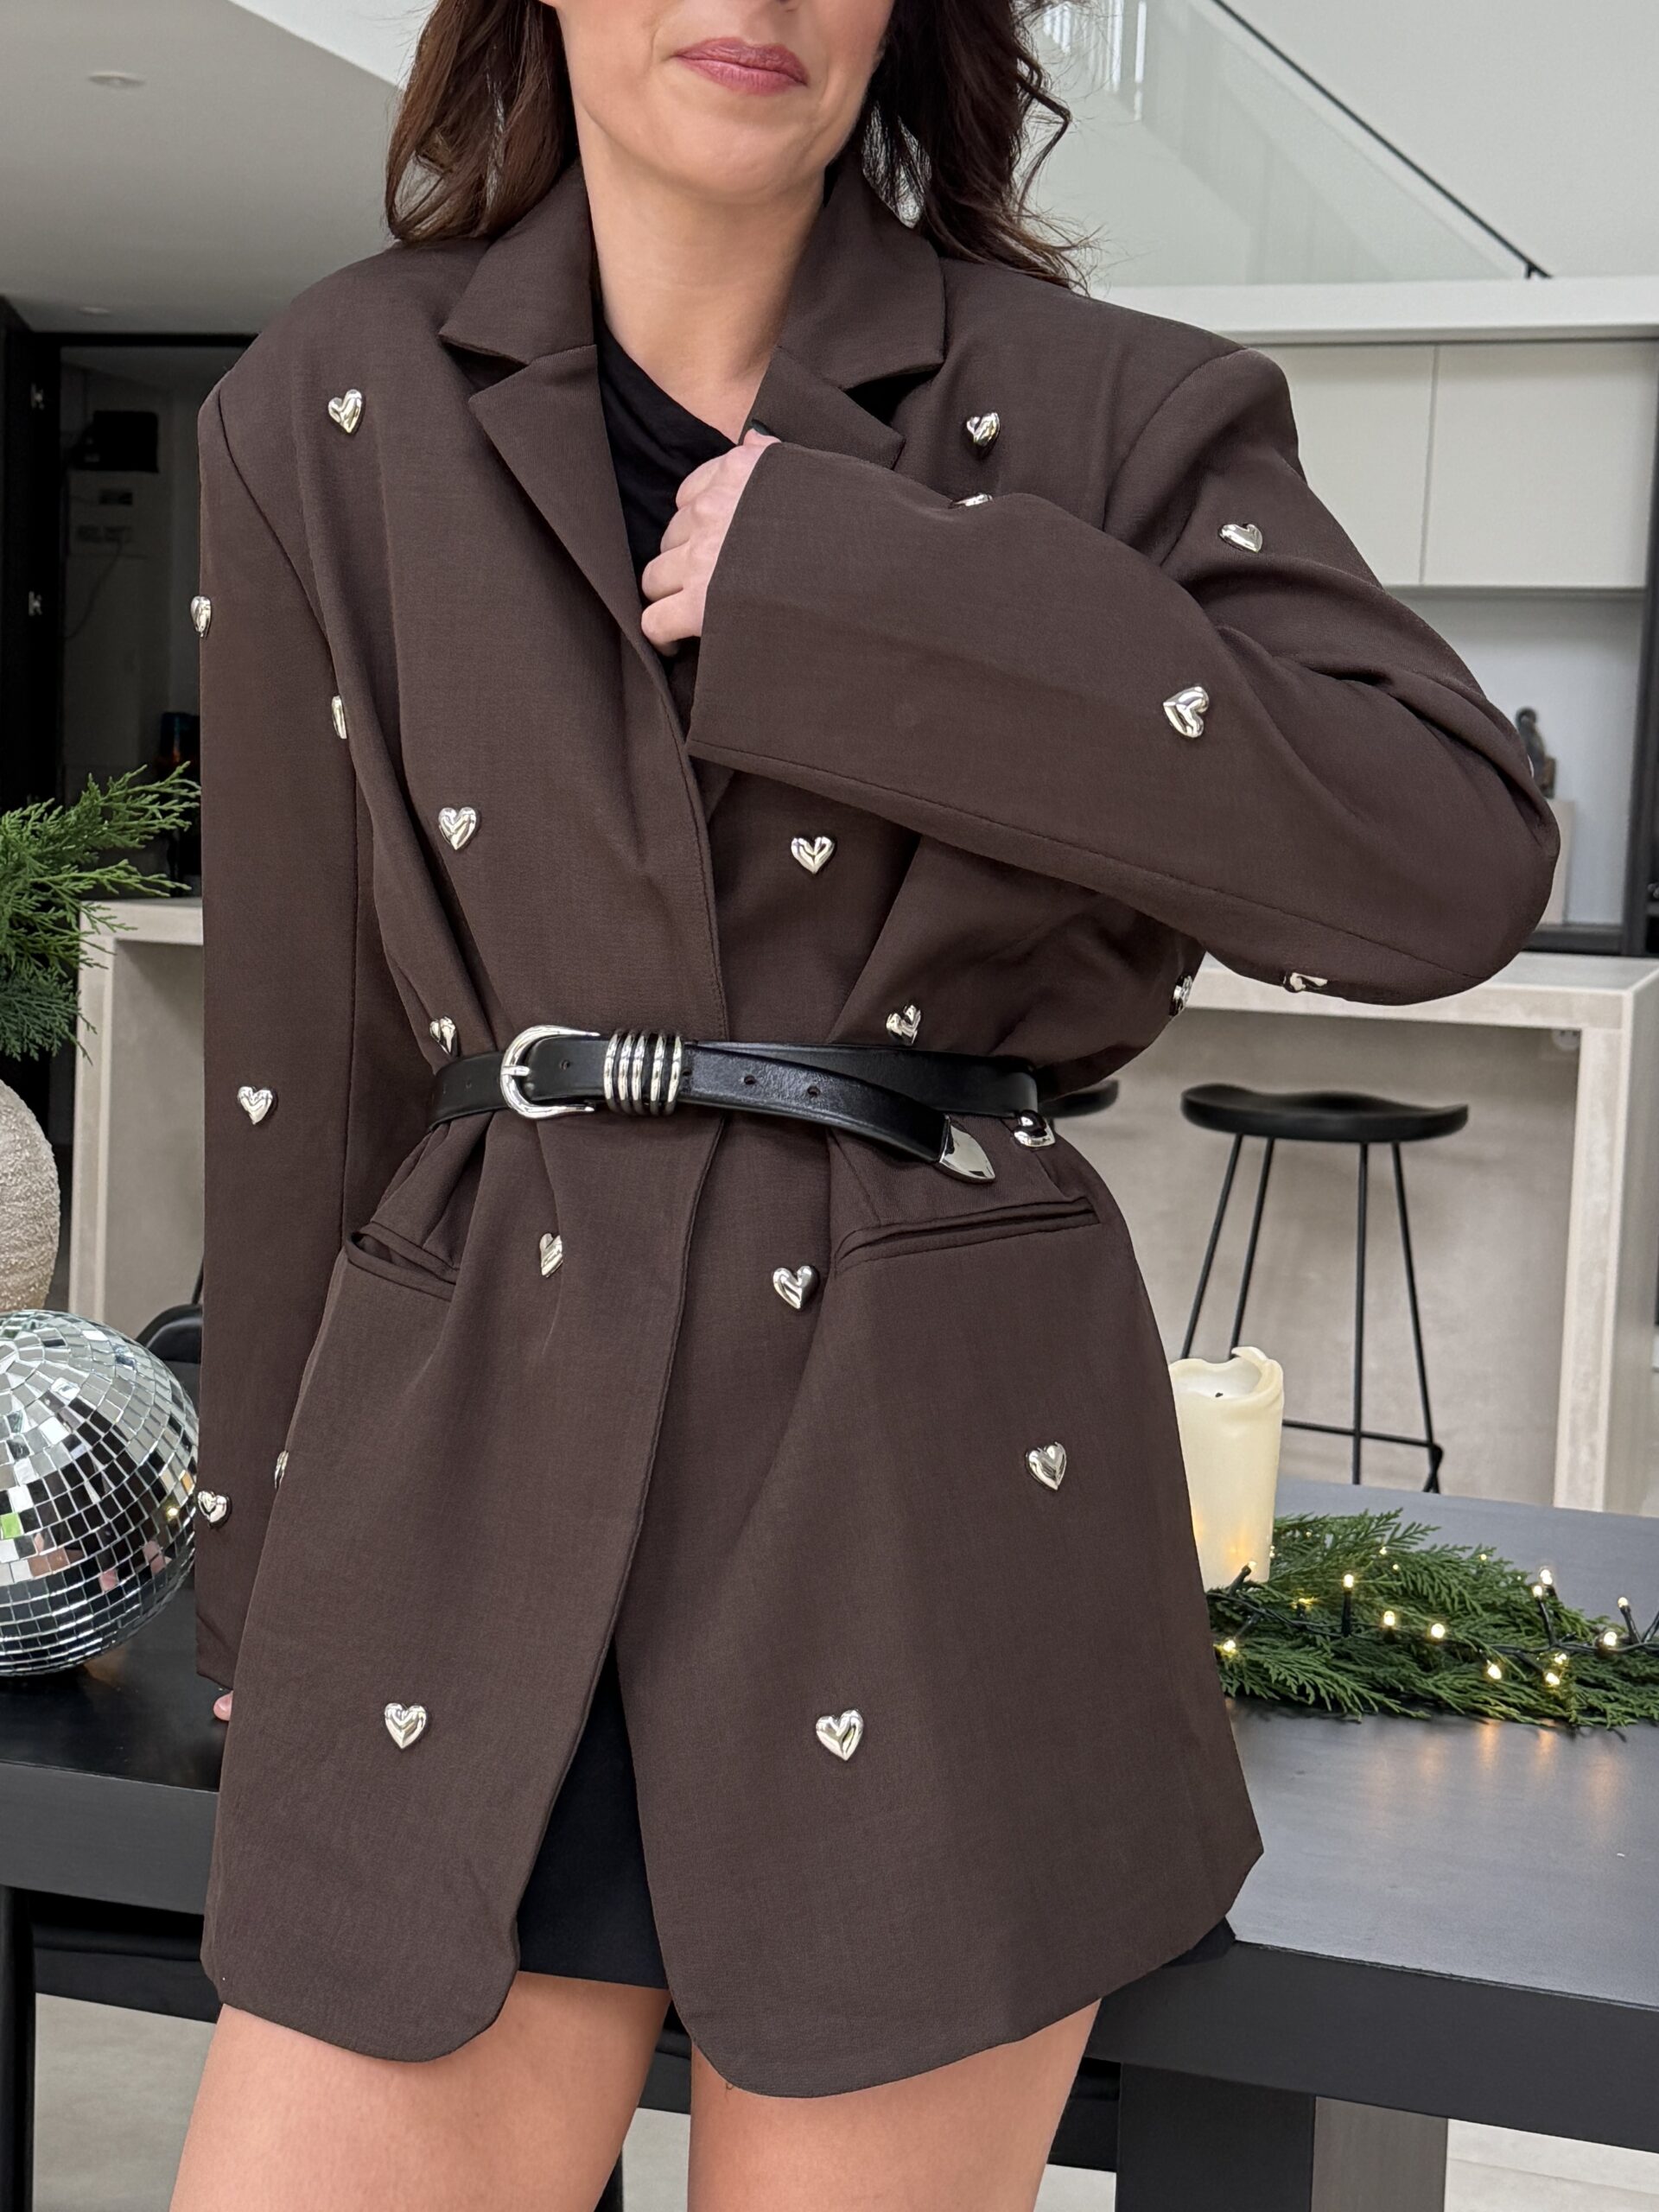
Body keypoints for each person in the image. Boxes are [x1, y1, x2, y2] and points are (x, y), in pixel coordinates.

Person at [169, 3, 1559, 2206]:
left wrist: (879, 594)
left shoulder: (1110, 409)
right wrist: (257, 1579)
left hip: (933, 1486)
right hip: (468, 1482)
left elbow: (1449, 863)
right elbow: (298, 1058)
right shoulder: (330, 399)